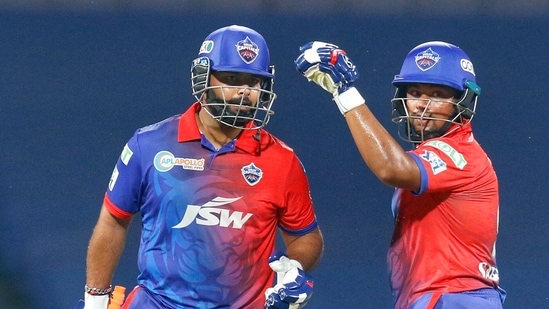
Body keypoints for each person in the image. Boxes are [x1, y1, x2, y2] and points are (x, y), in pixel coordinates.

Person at [83, 25, 323, 309]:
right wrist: (95, 301)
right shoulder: (148, 145)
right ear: (202, 76)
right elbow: (113, 221)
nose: (244, 92)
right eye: (232, 78)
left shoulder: (282, 160)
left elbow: (306, 235)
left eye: (254, 82)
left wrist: (294, 266)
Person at [294, 41, 505, 308]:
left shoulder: (458, 154)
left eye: (437, 94)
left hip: (452, 297)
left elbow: (391, 169)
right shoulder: (437, 155)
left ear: (463, 101)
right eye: (415, 92)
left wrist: (344, 91)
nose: (421, 105)